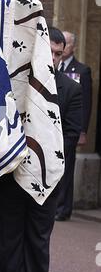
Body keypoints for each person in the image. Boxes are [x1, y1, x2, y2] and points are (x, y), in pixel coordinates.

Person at [0, 26, 82, 272]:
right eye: (49, 53)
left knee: (39, 240)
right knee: (9, 238)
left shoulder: (71, 89)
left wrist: (42, 160)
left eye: (59, 54)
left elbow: (69, 136)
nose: (54, 59)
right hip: (13, 175)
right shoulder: (17, 85)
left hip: (47, 177)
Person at [55, 31, 92, 221]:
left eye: (67, 44)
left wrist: (82, 131)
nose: (64, 46)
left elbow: (85, 103)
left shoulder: (82, 70)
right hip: (54, 127)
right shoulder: (52, 68)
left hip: (70, 130)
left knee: (67, 169)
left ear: (73, 47)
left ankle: (64, 208)